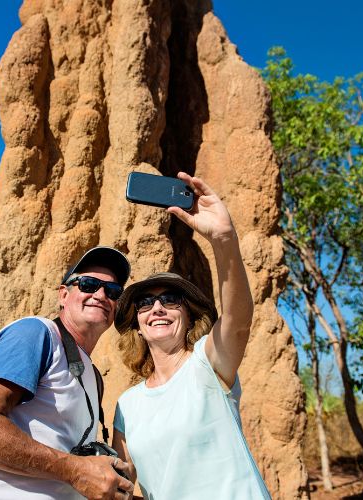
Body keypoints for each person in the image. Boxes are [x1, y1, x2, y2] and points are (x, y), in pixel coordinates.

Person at [111, 172, 271, 499]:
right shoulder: (127, 405)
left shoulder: (206, 365)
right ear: (137, 324)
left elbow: (238, 321)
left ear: (188, 315)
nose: (157, 307)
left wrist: (223, 239)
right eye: (145, 303)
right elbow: (122, 489)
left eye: (170, 300)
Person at [0, 246, 135, 499]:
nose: (100, 294)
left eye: (112, 291)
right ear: (63, 295)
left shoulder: (93, 375)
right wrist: (76, 471)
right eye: (88, 284)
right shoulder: (36, 333)